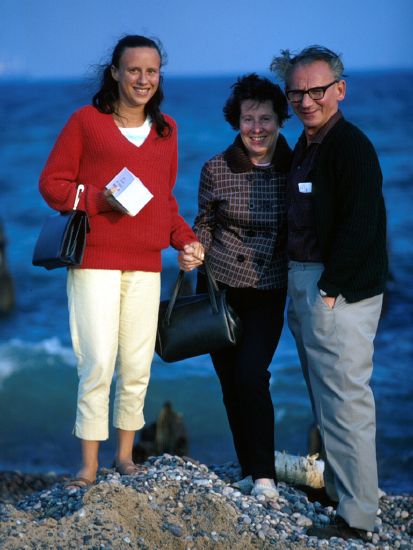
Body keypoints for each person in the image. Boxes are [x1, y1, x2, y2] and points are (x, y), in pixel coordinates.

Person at [39, 35, 203, 489]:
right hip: (94, 260)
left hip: (147, 263)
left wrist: (185, 240)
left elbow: (164, 200)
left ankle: (125, 458)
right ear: (114, 72)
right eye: (134, 70)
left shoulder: (166, 130)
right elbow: (52, 185)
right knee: (95, 362)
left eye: (152, 71)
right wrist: (98, 198)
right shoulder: (86, 122)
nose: (143, 79)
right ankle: (88, 466)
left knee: (136, 365)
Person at [270, 46, 388, 540]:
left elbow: (362, 224)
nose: (306, 100)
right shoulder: (307, 142)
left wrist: (331, 289)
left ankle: (360, 516)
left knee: (346, 400)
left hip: (334, 289)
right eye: (296, 92)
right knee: (328, 399)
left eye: (316, 90)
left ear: (339, 89)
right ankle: (342, 494)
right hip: (308, 282)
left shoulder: (350, 146)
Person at [179, 74, 292, 498]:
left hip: (269, 286)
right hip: (218, 289)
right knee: (230, 383)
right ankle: (249, 468)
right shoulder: (216, 168)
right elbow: (205, 223)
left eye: (266, 118)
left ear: (281, 120)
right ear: (237, 121)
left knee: (251, 374)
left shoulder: (295, 167)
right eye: (249, 119)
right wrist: (194, 249)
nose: (257, 128)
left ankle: (265, 476)